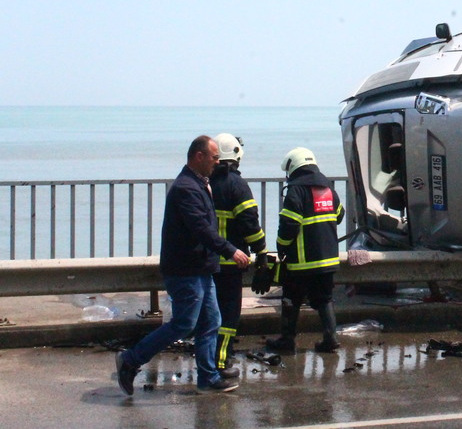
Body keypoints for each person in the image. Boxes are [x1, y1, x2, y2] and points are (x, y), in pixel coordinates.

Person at [115, 135, 250, 395]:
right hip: (185, 270)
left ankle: (208, 378)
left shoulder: (200, 184)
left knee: (211, 321)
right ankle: (130, 360)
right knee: (184, 324)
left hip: (202, 268)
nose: (218, 162)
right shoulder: (185, 188)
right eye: (214, 157)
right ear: (199, 156)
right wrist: (231, 250)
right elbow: (201, 228)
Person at [266, 147, 344, 353]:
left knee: (291, 298)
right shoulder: (327, 189)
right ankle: (331, 338)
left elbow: (289, 225)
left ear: (293, 167)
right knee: (325, 299)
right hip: (327, 260)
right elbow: (340, 215)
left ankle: (287, 340)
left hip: (301, 262)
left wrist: (281, 246)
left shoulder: (296, 191)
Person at [210, 133, 266, 378]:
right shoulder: (237, 185)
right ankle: (222, 361)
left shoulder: (204, 182)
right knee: (228, 315)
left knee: (210, 313)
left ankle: (209, 357)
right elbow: (249, 224)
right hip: (231, 262)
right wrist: (261, 251)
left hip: (206, 262)